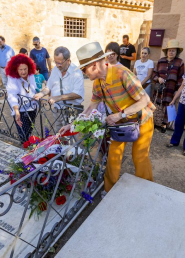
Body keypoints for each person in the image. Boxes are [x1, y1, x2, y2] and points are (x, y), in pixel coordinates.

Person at [59, 42, 155, 197]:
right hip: (121, 123)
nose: (84, 73)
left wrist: (119, 115)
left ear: (95, 65)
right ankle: (109, 191)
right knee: (113, 156)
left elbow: (144, 100)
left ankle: (146, 190)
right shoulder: (98, 82)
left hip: (142, 119)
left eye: (84, 69)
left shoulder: (122, 73)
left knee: (140, 156)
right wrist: (72, 125)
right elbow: (91, 108)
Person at [34, 46, 84, 132]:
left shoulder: (76, 72)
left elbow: (77, 94)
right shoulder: (55, 70)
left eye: (60, 63)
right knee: (59, 136)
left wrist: (58, 97)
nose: (57, 65)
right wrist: (42, 93)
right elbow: (48, 87)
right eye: (55, 62)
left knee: (72, 137)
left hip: (72, 111)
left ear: (68, 61)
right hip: (57, 110)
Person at [152, 39, 185, 133]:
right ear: (167, 51)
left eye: (173, 50)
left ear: (177, 52)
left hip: (171, 90)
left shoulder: (180, 62)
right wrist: (158, 78)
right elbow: (154, 74)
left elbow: (180, 78)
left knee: (168, 106)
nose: (171, 52)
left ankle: (164, 124)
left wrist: (177, 91)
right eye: (169, 50)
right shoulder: (161, 61)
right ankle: (155, 122)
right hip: (159, 90)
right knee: (157, 105)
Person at [6, 54, 38, 143]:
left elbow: (33, 88)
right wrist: (16, 111)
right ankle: (24, 149)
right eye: (20, 69)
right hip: (20, 110)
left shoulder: (31, 75)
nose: (23, 72)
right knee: (23, 134)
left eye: (25, 69)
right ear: (16, 69)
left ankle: (29, 149)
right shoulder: (12, 78)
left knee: (29, 131)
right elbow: (12, 95)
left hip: (32, 107)